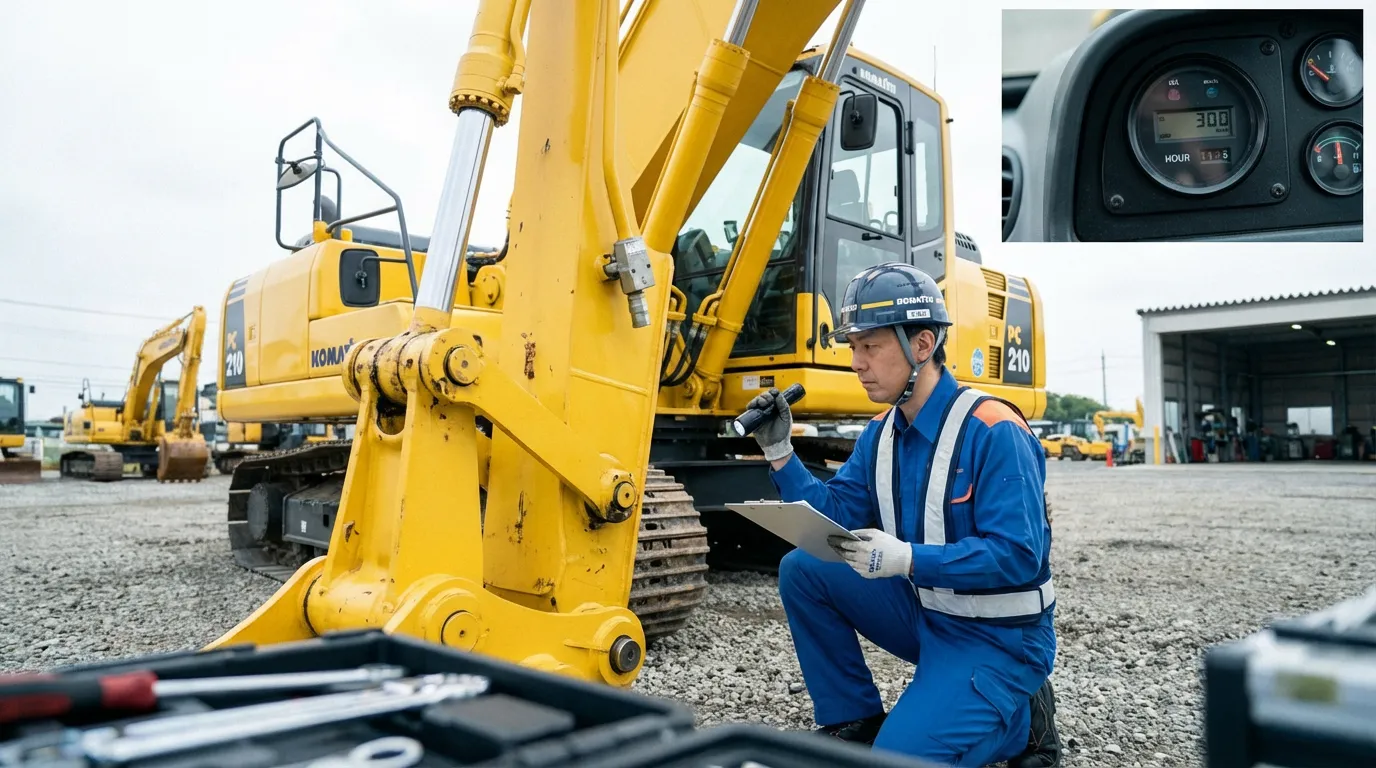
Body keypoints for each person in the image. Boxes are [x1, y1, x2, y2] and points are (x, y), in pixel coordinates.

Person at [746, 263, 1062, 767]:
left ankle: (1024, 723)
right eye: (853, 348)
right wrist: (781, 452)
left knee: (899, 761)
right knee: (804, 569)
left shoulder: (994, 429)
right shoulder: (881, 433)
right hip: (930, 617)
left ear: (922, 345)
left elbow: (1019, 557)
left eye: (870, 347)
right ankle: (855, 718)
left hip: (998, 638)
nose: (857, 362)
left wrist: (909, 559)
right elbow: (835, 517)